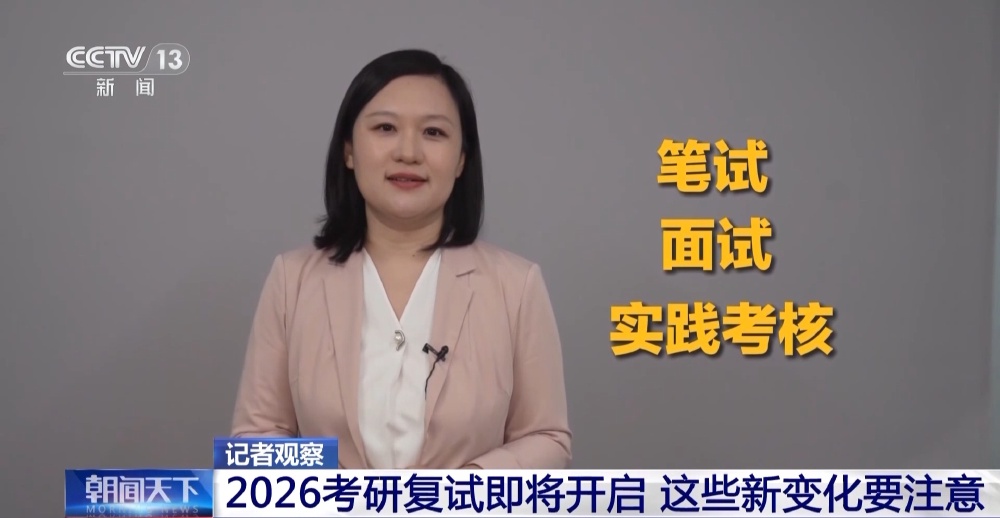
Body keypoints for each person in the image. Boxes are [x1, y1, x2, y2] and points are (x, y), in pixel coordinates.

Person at [229, 49, 572, 470]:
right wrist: (336, 493)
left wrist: (460, 490)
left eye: (434, 132)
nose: (408, 152)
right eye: (386, 128)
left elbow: (547, 437)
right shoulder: (293, 280)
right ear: (349, 150)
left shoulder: (516, 285)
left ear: (461, 160)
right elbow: (257, 435)